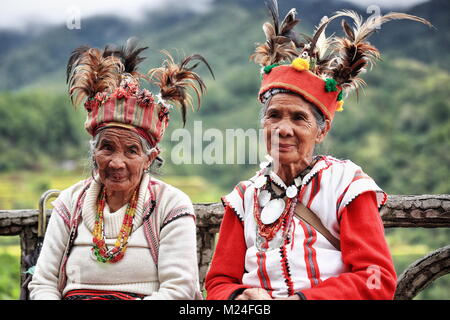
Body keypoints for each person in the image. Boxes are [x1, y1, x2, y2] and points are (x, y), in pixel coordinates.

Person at [205, 1, 431, 300]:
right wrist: (240, 299)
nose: (283, 129)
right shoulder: (244, 197)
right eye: (274, 116)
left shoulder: (346, 185)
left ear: (321, 131)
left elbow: (376, 279)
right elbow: (219, 282)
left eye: (299, 118)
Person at [28, 38, 213, 300]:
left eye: (131, 151)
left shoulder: (170, 205)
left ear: (150, 158)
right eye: (107, 148)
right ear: (94, 151)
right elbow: (43, 283)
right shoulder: (70, 203)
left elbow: (178, 289)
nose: (116, 162)